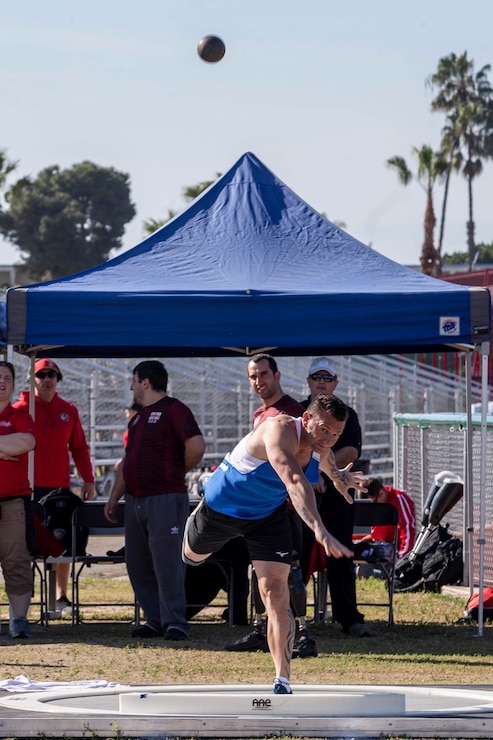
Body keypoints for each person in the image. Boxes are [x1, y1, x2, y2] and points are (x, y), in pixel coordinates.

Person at [183, 394, 366, 695]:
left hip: (267, 517)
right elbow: (295, 481)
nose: (329, 439)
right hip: (223, 509)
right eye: (324, 430)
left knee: (276, 593)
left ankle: (282, 679)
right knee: (192, 557)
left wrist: (338, 477)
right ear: (306, 420)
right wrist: (319, 529)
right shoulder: (278, 429)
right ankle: (199, 503)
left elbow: (326, 457)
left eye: (336, 434)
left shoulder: (320, 444)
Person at [104, 360, 205, 641]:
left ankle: (175, 622)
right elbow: (128, 462)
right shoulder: (137, 419)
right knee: (138, 562)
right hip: (136, 500)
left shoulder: (174, 409)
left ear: (145, 382)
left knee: (168, 562)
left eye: (134, 380)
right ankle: (154, 618)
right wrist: (114, 497)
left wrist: (176, 471)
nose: (131, 386)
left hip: (164, 498)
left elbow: (196, 445)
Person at [225, 353, 318, 658]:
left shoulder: (294, 413)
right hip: (260, 510)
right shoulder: (260, 413)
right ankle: (259, 630)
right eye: (253, 376)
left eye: (264, 374)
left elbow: (311, 460)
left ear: (277, 376)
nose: (258, 381)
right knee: (260, 573)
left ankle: (305, 634)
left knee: (291, 573)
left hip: (286, 509)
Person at [13, 358, 95, 615]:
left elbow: (79, 447)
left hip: (59, 489)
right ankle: (27, 595)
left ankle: (60, 596)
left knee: (63, 543)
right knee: (25, 544)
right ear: (32, 379)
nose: (47, 379)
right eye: (42, 375)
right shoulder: (20, 410)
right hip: (26, 488)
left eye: (52, 375)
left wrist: (89, 478)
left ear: (58, 379)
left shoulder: (68, 410)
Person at [300, 357, 371, 637]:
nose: (321, 381)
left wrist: (324, 472)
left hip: (336, 493)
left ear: (335, 383)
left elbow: (351, 451)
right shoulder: (299, 412)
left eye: (327, 378)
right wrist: (310, 474)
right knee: (299, 553)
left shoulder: (347, 413)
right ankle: (293, 616)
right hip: (303, 491)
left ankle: (349, 618)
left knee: (340, 552)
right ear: (308, 381)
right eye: (317, 376)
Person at [0, 361, 36, 638]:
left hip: (14, 502)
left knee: (17, 560)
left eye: (7, 378)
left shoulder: (21, 413)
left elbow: (26, 443)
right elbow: (14, 444)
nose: (2, 382)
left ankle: (19, 620)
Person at [356, 477, 416, 576]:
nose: (371, 508)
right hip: (374, 544)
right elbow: (371, 532)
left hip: (391, 550)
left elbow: (408, 530)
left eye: (373, 504)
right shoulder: (379, 504)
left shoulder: (399, 499)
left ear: (382, 494)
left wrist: (403, 560)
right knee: (362, 571)